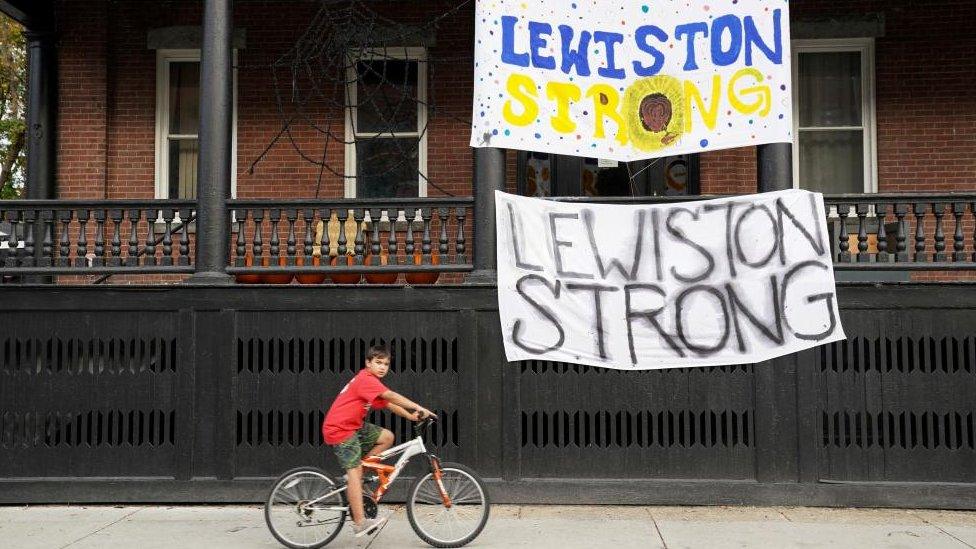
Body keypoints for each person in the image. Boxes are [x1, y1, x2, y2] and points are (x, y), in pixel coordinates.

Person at [321, 344, 434, 537]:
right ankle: (359, 523)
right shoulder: (366, 379)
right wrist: (419, 407)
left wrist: (412, 416)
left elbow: (388, 403)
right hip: (340, 429)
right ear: (368, 363)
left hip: (354, 427)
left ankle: (355, 478)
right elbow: (390, 395)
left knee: (387, 437)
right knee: (355, 472)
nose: (382, 367)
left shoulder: (371, 382)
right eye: (378, 362)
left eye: (386, 364)